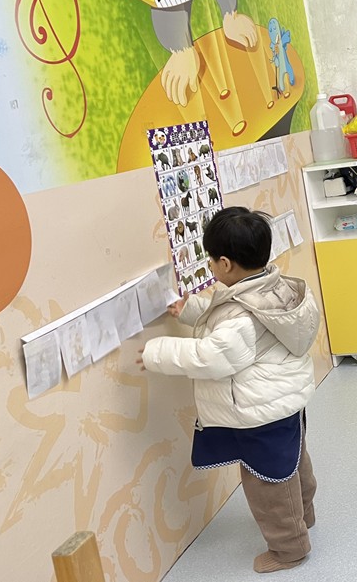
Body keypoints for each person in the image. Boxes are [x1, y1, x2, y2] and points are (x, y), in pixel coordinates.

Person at [139, 207, 320, 573]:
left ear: (224, 264)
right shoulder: (272, 287)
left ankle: (289, 549)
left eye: (210, 260)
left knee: (268, 484)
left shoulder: (242, 317)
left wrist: (156, 352)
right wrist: (190, 309)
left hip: (259, 413)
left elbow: (212, 355)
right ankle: (304, 516)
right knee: (292, 465)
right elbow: (225, 316)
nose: (209, 266)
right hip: (283, 403)